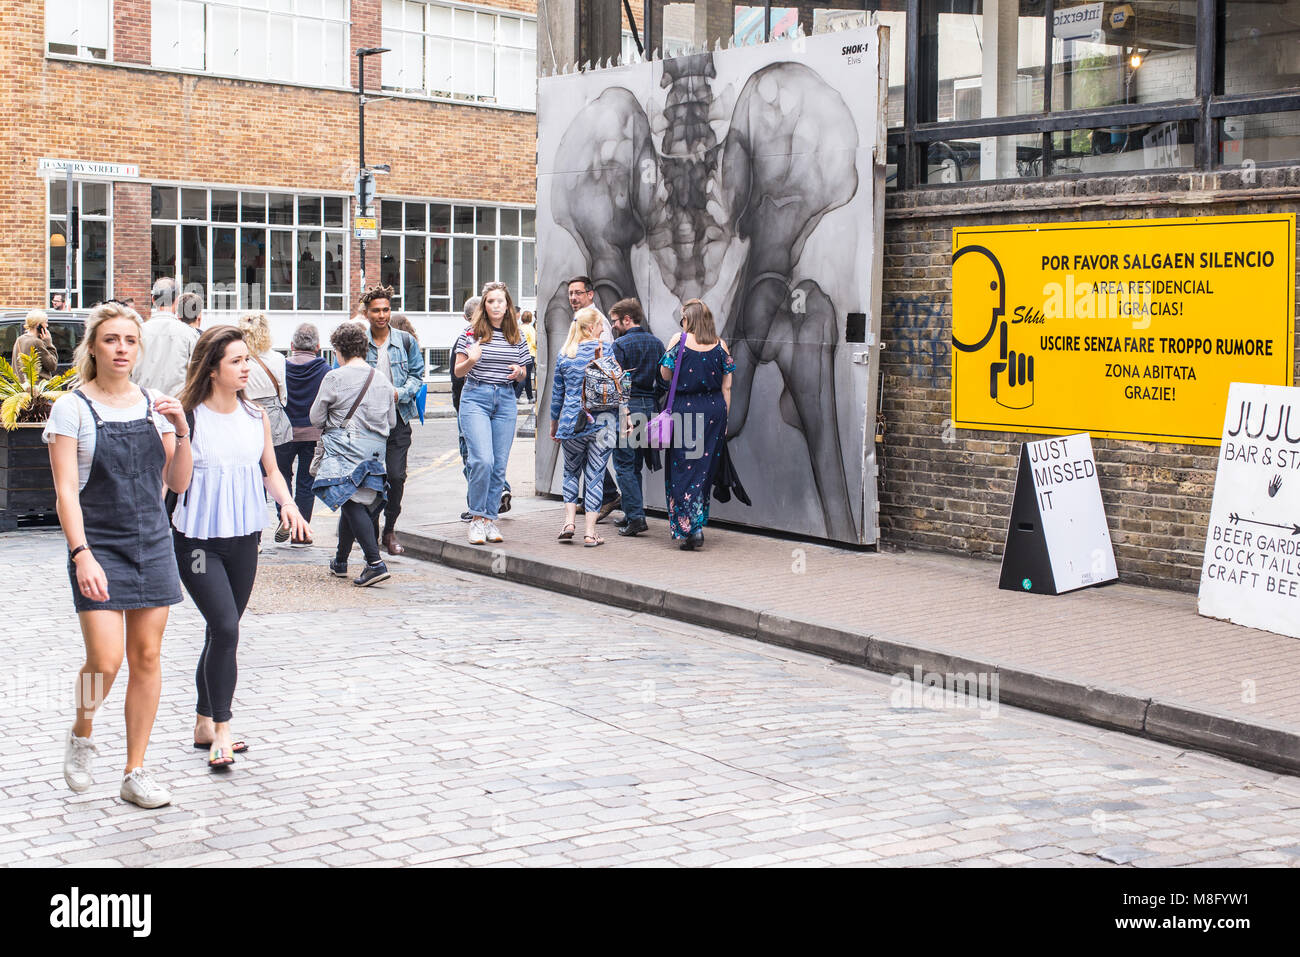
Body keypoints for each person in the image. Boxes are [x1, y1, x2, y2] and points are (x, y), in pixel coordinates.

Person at [45, 302, 193, 808]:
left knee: (146, 657)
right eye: (111, 340)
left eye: (129, 341)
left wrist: (183, 430)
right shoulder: (72, 408)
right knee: (104, 660)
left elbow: (176, 483)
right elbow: (65, 490)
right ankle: (82, 732)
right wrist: (81, 553)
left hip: (152, 539)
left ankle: (135, 771)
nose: (121, 349)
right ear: (93, 347)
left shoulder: (156, 405)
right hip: (99, 542)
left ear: (139, 347)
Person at [172, 326, 312, 769]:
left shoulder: (256, 417)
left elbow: (270, 470)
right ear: (212, 369)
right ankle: (223, 730)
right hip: (196, 542)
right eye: (236, 361)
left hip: (243, 538)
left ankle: (201, 722)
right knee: (227, 628)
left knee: (221, 630)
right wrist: (177, 434)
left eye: (246, 359)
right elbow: (173, 484)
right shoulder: (188, 416)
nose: (246, 367)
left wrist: (289, 505)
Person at [311, 321, 396, 586]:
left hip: (343, 451)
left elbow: (315, 417)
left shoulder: (334, 377)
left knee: (348, 499)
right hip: (373, 453)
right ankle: (340, 561)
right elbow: (391, 421)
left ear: (339, 350)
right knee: (352, 501)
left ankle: (374, 562)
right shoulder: (382, 379)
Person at [454, 281, 531, 545]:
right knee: (481, 461)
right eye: (491, 301)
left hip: (506, 399)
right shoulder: (472, 332)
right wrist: (472, 359)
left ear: (507, 305)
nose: (496, 305)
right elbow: (458, 372)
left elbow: (523, 370)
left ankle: (489, 520)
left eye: (501, 301)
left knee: (499, 465)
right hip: (476, 396)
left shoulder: (516, 334)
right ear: (484, 306)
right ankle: (476, 519)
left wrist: (519, 372)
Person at [660, 299, 734, 550]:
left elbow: (665, 375)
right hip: (714, 412)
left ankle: (691, 527)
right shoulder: (721, 345)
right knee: (702, 470)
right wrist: (725, 420)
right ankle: (697, 521)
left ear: (688, 320)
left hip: (685, 411)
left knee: (682, 469)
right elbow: (727, 386)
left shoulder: (678, 341)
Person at [361, 287, 424, 556]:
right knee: (371, 477)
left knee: (396, 476)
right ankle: (371, 530)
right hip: (368, 422)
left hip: (398, 417)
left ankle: (390, 529)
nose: (382, 315)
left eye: (386, 309)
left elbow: (417, 374)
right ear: (367, 313)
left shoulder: (405, 341)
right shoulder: (359, 342)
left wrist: (402, 392)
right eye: (376, 310)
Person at [549, 308, 618, 547]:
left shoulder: (564, 354)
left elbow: (557, 394)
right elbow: (617, 388)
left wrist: (554, 424)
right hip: (602, 424)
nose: (602, 329)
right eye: (600, 325)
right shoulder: (606, 349)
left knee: (570, 473)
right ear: (590, 328)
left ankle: (569, 523)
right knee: (595, 477)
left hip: (571, 423)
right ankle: (590, 533)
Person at [567, 275, 622, 519]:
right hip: (582, 398)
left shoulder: (597, 320)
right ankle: (600, 496)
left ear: (591, 294)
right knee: (584, 450)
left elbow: (604, 359)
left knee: (590, 450)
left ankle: (606, 496)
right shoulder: (579, 319)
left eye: (578, 293)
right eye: (570, 293)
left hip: (593, 399)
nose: (573, 297)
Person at [609, 298, 664, 537]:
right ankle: (633, 513)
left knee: (623, 464)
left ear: (627, 319)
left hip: (627, 410)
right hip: (649, 407)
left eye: (615, 321)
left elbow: (615, 383)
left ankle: (636, 517)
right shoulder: (657, 343)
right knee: (636, 464)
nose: (613, 326)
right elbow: (664, 379)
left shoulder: (619, 345)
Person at [277, 322, 330, 542]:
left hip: (285, 433)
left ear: (291, 345)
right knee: (306, 484)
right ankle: (301, 534)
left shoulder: (281, 367)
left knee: (281, 479)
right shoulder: (325, 371)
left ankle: (286, 520)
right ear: (318, 346)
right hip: (313, 434)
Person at [132, 277, 198, 396]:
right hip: (177, 405)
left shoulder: (136, 333)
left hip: (143, 403)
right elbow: (197, 374)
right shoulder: (189, 334)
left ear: (153, 300)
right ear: (177, 300)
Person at [11, 309, 58, 379]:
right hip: (38, 387)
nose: (47, 325)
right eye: (45, 322)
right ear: (38, 325)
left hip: (23, 386)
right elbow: (52, 365)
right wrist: (49, 343)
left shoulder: (20, 339)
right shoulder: (36, 342)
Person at [516, 310, 538, 405]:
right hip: (530, 354)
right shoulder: (531, 329)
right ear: (530, 318)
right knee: (525, 377)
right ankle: (516, 396)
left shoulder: (519, 328)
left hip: (519, 354)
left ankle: (530, 397)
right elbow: (534, 342)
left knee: (527, 377)